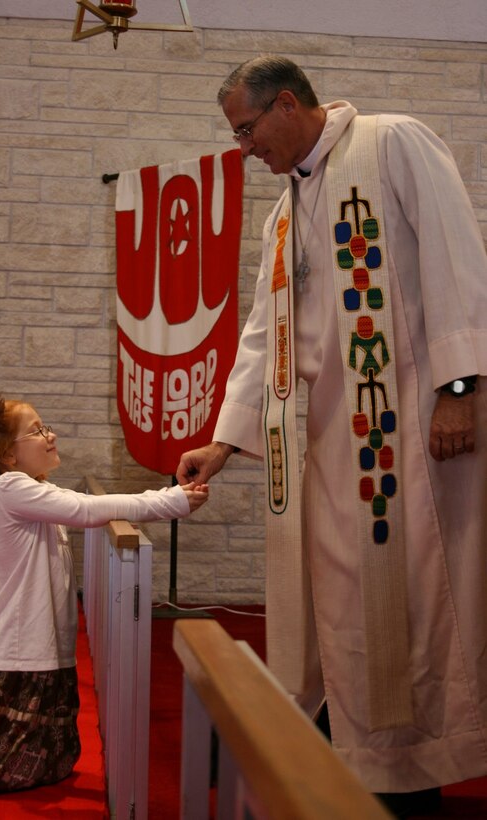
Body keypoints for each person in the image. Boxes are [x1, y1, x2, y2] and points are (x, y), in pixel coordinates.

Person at [176, 55, 487, 817]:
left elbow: (458, 260)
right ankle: (349, 760)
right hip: (328, 448)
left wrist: (459, 390)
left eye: (248, 129)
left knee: (417, 606)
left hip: (412, 433)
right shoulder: (283, 214)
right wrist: (226, 438)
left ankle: (413, 771)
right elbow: (262, 334)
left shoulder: (392, 143)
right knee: (339, 611)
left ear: (288, 104)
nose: (245, 148)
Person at [0, 393, 208, 818]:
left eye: (45, 426)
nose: (50, 435)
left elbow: (78, 507)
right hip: (18, 648)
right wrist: (171, 501)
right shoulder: (9, 487)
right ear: (6, 455)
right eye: (36, 431)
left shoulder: (30, 487)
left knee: (48, 759)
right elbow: (87, 509)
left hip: (37, 642)